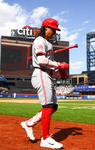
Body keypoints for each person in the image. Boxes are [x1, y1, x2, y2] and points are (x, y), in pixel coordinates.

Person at [20, 18, 69, 149]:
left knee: (53, 107)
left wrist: (58, 68)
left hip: (46, 74)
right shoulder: (40, 40)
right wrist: (59, 64)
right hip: (40, 73)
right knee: (48, 106)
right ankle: (45, 139)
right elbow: (41, 60)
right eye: (53, 29)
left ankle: (30, 123)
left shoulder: (49, 44)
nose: (55, 32)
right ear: (46, 27)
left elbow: (48, 63)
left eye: (56, 30)